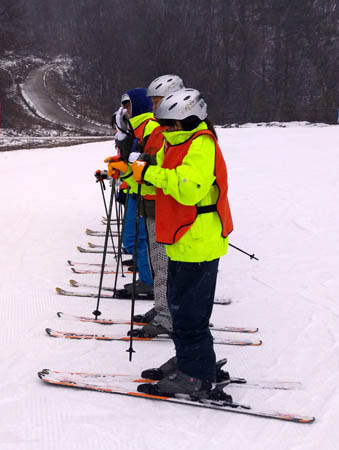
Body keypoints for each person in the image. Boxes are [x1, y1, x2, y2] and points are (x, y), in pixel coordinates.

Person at [131, 88, 233, 397]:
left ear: (186, 121)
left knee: (189, 314)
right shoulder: (178, 142)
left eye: (168, 124)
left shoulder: (201, 146)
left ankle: (195, 375)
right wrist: (131, 171)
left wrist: (148, 172)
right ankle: (193, 362)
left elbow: (187, 189)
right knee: (182, 311)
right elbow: (158, 169)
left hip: (198, 243)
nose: (163, 130)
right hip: (182, 241)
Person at [127, 75, 185, 337]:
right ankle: (162, 308)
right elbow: (149, 166)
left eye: (158, 101)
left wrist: (136, 170)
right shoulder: (162, 129)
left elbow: (161, 170)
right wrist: (130, 173)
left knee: (163, 264)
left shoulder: (169, 132)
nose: (154, 107)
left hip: (163, 206)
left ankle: (168, 316)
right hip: (151, 203)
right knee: (155, 260)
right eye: (152, 102)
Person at [107, 88, 154, 297]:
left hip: (146, 192)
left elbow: (144, 165)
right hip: (137, 189)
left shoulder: (150, 129)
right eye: (124, 106)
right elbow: (132, 163)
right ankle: (147, 276)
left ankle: (148, 280)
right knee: (133, 237)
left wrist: (127, 174)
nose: (125, 111)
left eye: (128, 105)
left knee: (137, 237)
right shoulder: (136, 130)